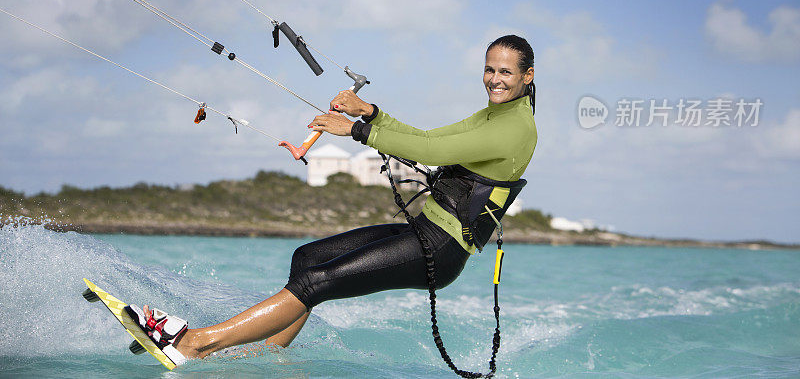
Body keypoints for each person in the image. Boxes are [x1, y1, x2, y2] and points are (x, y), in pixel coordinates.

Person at [130, 35, 538, 365]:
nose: (494, 79)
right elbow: (429, 138)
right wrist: (372, 113)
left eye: (506, 71)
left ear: (527, 76)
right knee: (307, 259)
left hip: (442, 248)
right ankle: (269, 358)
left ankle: (194, 344)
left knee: (317, 283)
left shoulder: (516, 128)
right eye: (489, 68)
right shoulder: (492, 114)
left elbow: (433, 155)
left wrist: (357, 132)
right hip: (424, 230)